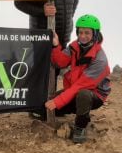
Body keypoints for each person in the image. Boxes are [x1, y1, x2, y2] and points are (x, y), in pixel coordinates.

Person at [45, 14, 111, 143]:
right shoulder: (75, 47)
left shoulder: (100, 59)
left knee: (83, 95)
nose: (83, 36)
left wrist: (57, 102)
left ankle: (80, 127)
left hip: (94, 95)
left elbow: (81, 85)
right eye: (80, 32)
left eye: (87, 33)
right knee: (42, 110)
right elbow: (60, 62)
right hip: (74, 90)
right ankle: (63, 112)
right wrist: (55, 45)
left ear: (95, 34)